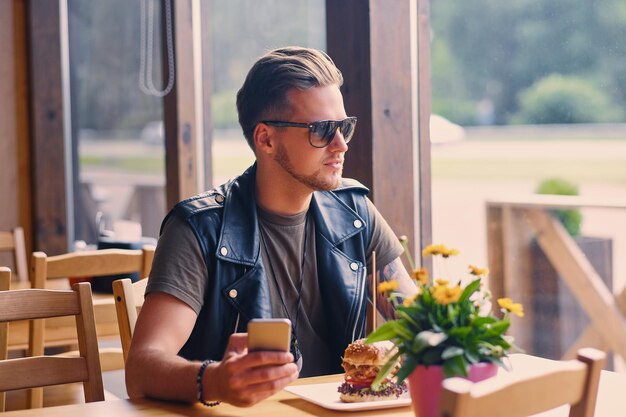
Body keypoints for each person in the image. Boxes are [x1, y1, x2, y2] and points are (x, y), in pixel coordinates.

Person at [125, 46, 416, 407]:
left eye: (345, 127)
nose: (340, 145)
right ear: (265, 139)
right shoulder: (199, 229)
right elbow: (141, 369)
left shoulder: (355, 212)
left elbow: (420, 325)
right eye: (322, 130)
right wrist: (214, 380)